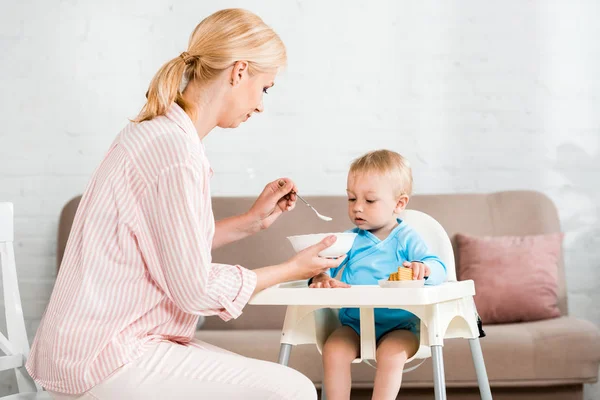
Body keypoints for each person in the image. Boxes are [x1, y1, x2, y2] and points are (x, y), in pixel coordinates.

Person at [26, 8, 344, 400]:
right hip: (107, 356)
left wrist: (250, 222)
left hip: (82, 350)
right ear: (239, 71)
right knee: (292, 390)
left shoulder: (157, 133)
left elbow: (167, 246)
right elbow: (193, 288)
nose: (262, 105)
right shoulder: (177, 154)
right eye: (266, 88)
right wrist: (292, 269)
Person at [309, 149, 447, 399]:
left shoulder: (407, 238)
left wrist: (424, 269)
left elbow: (439, 267)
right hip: (354, 325)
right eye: (351, 199)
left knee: (390, 354)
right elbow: (324, 266)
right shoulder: (348, 240)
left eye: (369, 201)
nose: (357, 208)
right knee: (333, 350)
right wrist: (320, 277)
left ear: (399, 204)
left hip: (401, 326)